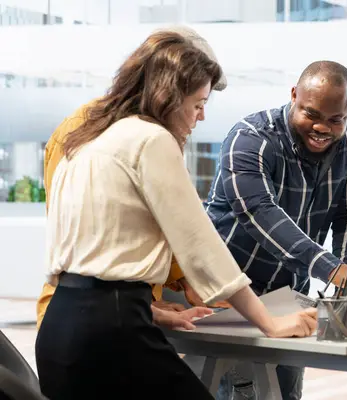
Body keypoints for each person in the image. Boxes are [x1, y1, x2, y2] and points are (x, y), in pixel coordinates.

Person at [35, 30, 317, 400]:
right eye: (198, 103)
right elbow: (201, 245)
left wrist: (147, 311)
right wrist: (270, 322)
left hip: (60, 330)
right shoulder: (151, 139)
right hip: (113, 333)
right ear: (168, 96)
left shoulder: (87, 139)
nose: (201, 116)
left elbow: (91, 259)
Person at [205, 60, 347, 400]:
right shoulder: (249, 139)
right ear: (294, 95)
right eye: (312, 114)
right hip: (229, 294)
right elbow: (261, 214)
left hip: (290, 295)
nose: (323, 127)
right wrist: (332, 268)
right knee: (237, 394)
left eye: (336, 119)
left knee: (286, 394)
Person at [35, 25, 214, 330]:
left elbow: (156, 221)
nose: (198, 115)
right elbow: (91, 233)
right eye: (194, 100)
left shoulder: (151, 132)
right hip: (89, 308)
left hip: (128, 305)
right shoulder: (92, 128)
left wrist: (169, 290)